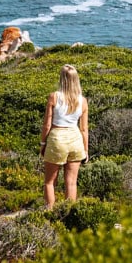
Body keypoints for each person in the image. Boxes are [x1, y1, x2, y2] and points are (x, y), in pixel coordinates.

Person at [40, 64, 89, 207]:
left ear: (62, 79)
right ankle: (69, 214)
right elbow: (84, 129)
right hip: (76, 140)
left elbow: (47, 125)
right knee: (72, 183)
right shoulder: (83, 101)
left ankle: (49, 213)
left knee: (49, 182)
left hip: (57, 139)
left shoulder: (54, 97)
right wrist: (85, 150)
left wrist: (43, 144)